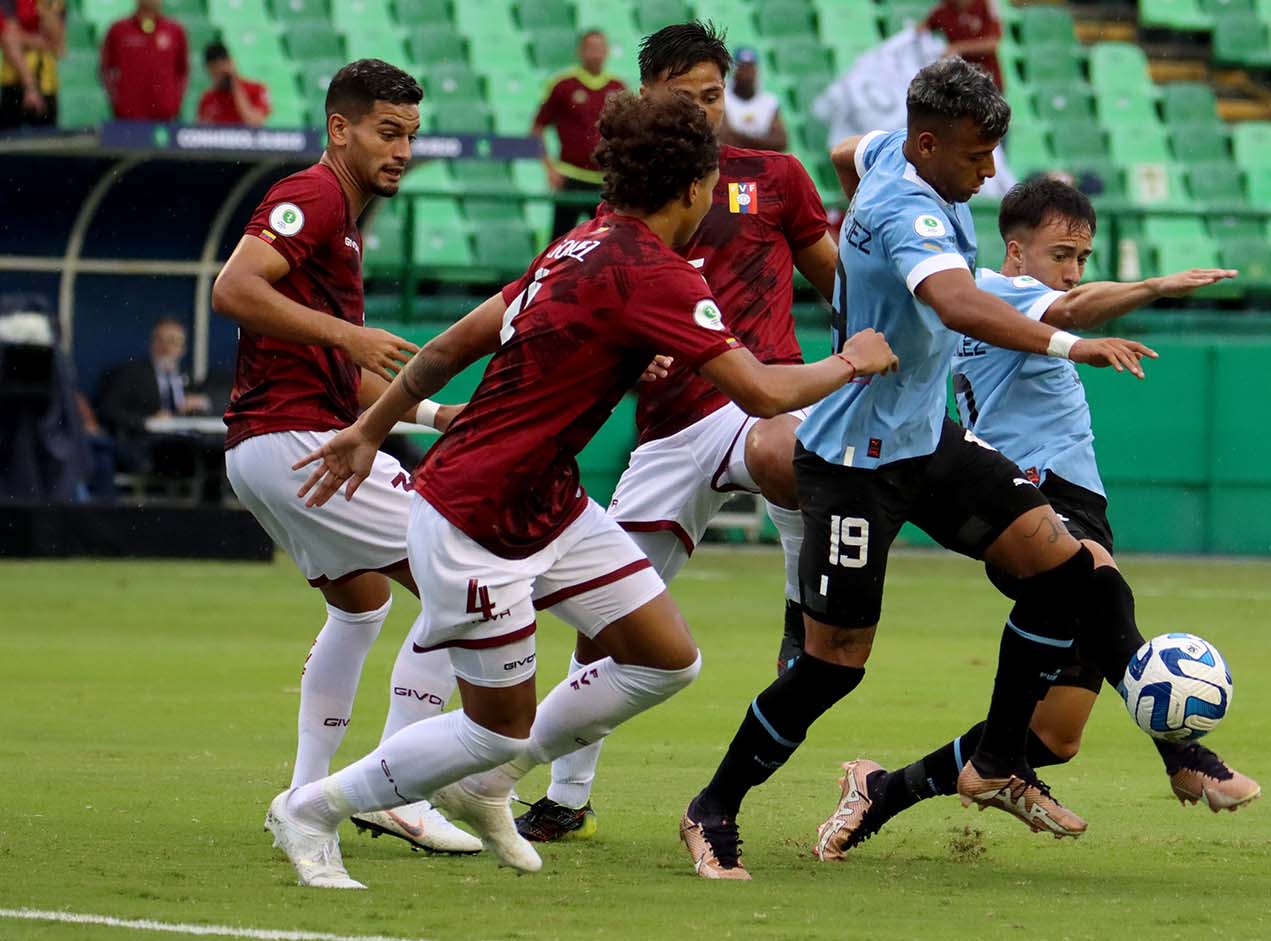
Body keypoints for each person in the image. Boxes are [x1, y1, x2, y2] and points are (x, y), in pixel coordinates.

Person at [265, 90, 899, 890]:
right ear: (693, 189)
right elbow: (764, 393)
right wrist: (855, 357)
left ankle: (484, 783)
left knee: (666, 660)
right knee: (498, 726)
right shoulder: (658, 272)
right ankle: (315, 807)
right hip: (476, 516)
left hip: (549, 504)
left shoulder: (581, 244)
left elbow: (452, 345)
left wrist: (369, 428)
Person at [678, 58, 1157, 881]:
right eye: (976, 156)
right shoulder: (909, 208)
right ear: (928, 143)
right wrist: (1073, 343)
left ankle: (997, 757)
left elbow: (840, 153)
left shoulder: (886, 155)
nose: (990, 171)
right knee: (833, 668)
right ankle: (712, 807)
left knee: (1064, 570)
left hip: (926, 441)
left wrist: (847, 275)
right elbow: (959, 303)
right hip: (851, 463)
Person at [813, 178, 1261, 862]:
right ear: (1015, 251)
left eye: (1082, 255)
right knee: (1099, 581)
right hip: (1036, 500)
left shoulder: (994, 305)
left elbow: (855, 163)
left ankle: (881, 789)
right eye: (1062, 253)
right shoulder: (997, 291)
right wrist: (1156, 286)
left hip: (1073, 500)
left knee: (1054, 737)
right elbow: (1078, 307)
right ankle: (1186, 754)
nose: (1073, 270)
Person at [513, 20, 836, 844]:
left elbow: (839, 282)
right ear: (649, 96)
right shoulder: (628, 200)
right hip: (668, 426)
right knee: (607, 624)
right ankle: (567, 793)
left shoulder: (776, 177)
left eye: (714, 94)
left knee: (779, 447)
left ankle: (802, 617)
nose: (705, 111)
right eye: (687, 96)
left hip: (759, 393)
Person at [210, 58, 479, 860]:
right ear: (341, 129)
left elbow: (342, 370)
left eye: (411, 136)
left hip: (271, 448)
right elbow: (233, 287)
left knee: (361, 606)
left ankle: (304, 791)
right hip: (297, 443)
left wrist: (431, 414)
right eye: (387, 133)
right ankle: (401, 791)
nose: (401, 150)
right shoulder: (315, 196)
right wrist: (345, 332)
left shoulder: (344, 220)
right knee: (464, 577)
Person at [532, 28, 626, 240]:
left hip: (605, 182)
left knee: (607, 243)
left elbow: (627, 134)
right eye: (590, 48)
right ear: (580, 51)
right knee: (560, 244)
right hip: (570, 177)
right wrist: (549, 168)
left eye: (600, 48)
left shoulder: (617, 87)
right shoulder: (563, 85)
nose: (596, 53)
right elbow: (537, 128)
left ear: (607, 51)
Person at [95, 317, 212, 473]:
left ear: (182, 349)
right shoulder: (133, 374)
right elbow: (108, 410)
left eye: (173, 341)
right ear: (152, 343)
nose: (166, 347)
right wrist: (146, 421)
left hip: (181, 444)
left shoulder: (185, 378)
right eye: (160, 339)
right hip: (146, 445)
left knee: (211, 455)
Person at [99, 0, 187, 121]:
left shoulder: (175, 31)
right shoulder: (118, 30)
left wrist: (174, 102)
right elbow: (105, 69)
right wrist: (118, 102)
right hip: (127, 117)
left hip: (165, 117)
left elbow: (182, 71)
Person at [0, 0, 63, 129]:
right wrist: (31, 87)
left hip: (46, 83)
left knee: (47, 143)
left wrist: (21, 38)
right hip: (14, 83)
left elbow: (58, 46)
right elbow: (8, 38)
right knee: (10, 143)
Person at [922, 0, 1002, 92]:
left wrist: (958, 47)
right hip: (962, 86)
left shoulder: (986, 4)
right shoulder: (943, 10)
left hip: (988, 82)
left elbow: (992, 43)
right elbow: (919, 31)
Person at [719, 46, 785, 152]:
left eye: (750, 67)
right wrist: (763, 141)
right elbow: (725, 139)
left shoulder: (769, 102)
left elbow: (781, 142)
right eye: (742, 67)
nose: (747, 73)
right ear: (734, 71)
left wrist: (738, 137)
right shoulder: (722, 98)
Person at [196, 41, 269, 127]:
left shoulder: (256, 89)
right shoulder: (208, 98)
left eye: (223, 65)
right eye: (215, 69)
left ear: (231, 62)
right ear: (209, 70)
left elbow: (254, 122)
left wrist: (234, 85)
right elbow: (201, 131)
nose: (220, 73)